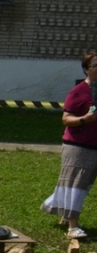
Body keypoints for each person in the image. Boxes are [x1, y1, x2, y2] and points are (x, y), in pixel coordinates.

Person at [41, 50, 97, 239]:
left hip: (95, 144)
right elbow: (66, 118)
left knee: (85, 184)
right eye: (95, 66)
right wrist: (85, 119)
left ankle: (63, 213)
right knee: (76, 185)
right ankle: (73, 227)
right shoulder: (79, 91)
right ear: (86, 69)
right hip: (78, 146)